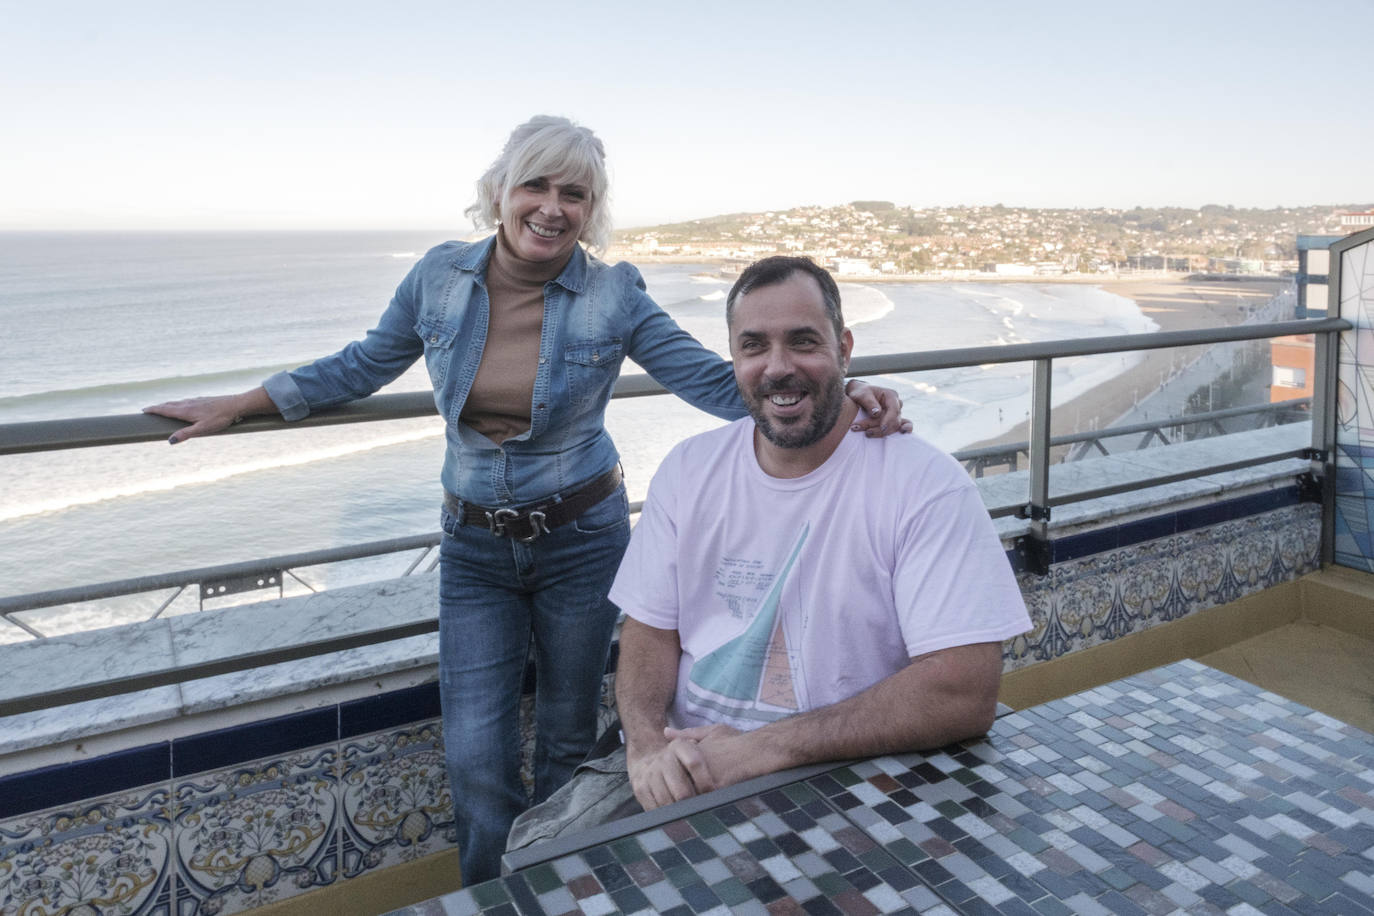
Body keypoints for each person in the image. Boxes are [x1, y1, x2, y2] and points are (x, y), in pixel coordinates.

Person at [143, 119, 908, 884]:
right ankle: (493, 896)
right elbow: (363, 364)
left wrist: (844, 397)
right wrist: (242, 403)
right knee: (476, 756)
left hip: (584, 543)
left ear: (590, 209)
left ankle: (558, 890)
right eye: (535, 186)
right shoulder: (438, 277)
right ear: (500, 192)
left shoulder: (614, 293)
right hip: (474, 549)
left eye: (573, 194)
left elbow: (716, 382)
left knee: (568, 742)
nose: (551, 207)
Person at [506, 256, 1028, 853]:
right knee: (534, 857)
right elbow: (650, 631)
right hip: (688, 764)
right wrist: (646, 748)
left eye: (803, 342)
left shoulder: (925, 485)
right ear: (733, 358)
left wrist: (759, 751)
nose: (777, 367)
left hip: (847, 769)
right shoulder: (689, 469)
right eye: (754, 346)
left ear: (844, 349)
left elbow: (964, 690)